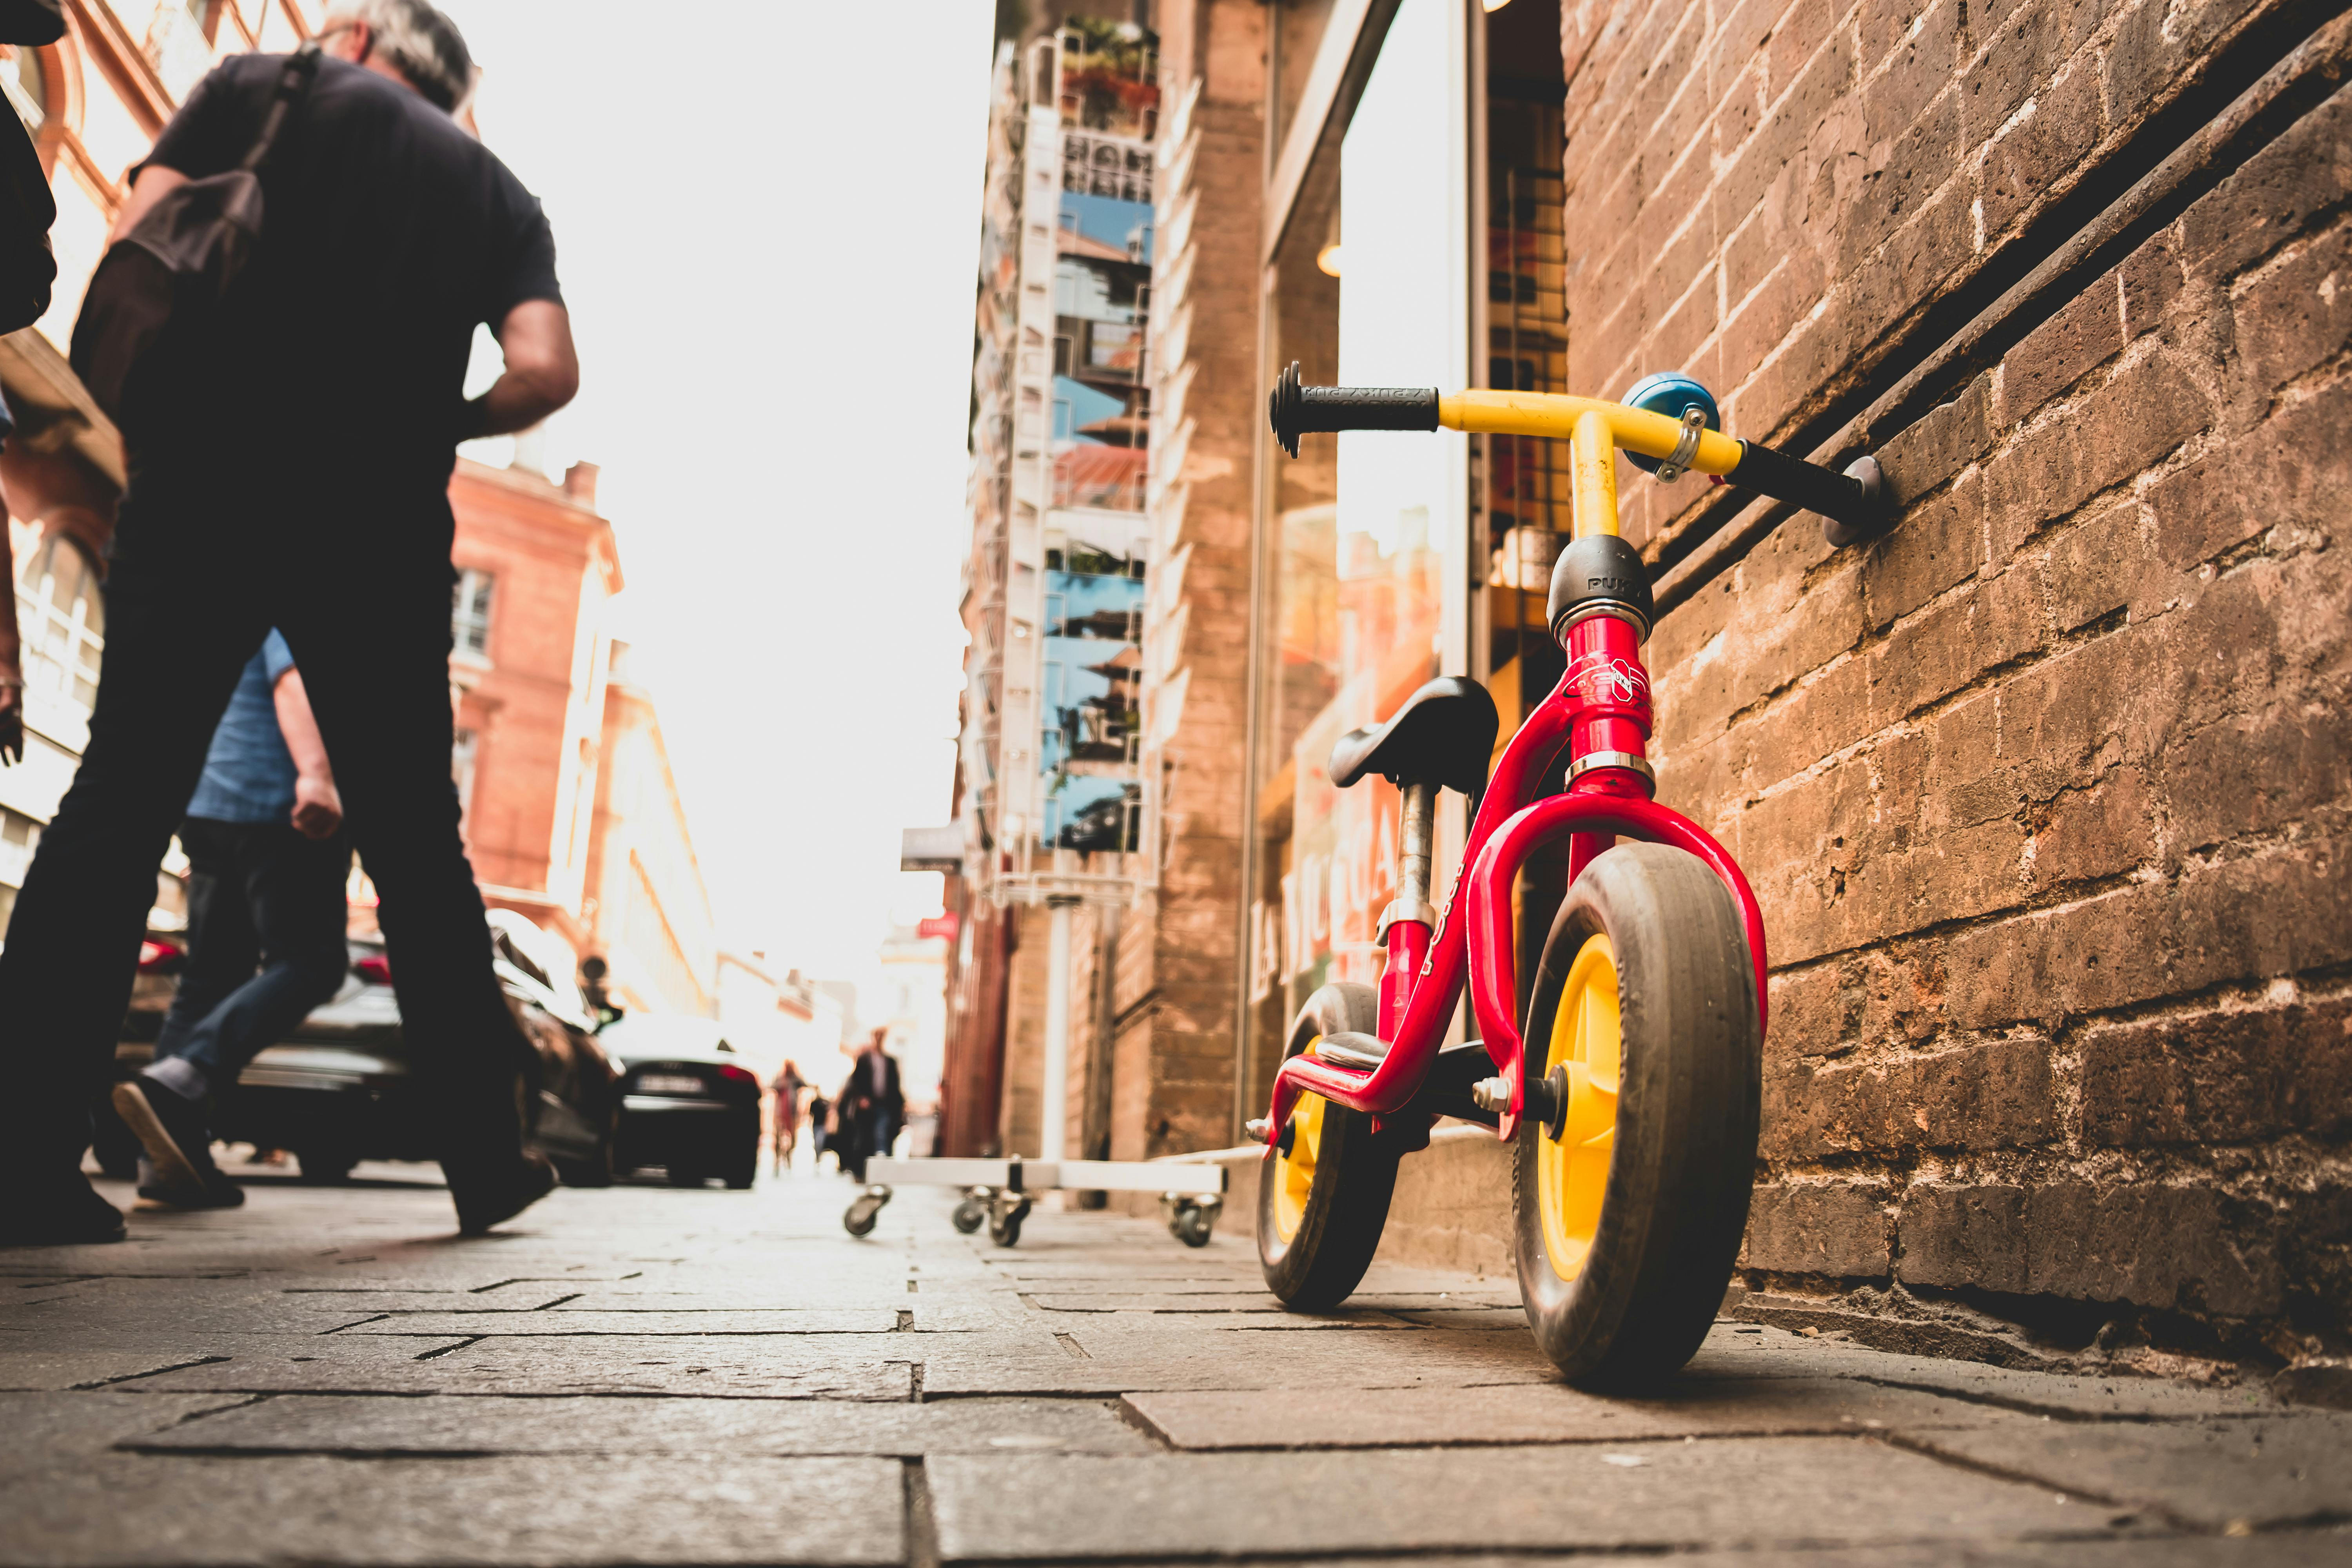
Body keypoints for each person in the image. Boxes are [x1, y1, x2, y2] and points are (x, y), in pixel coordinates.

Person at [0, 0, 580, 1246]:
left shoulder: (267, 83)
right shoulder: (498, 194)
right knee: (420, 851)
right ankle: (484, 1159)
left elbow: (142, 221)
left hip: (203, 472)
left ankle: (20, 1159)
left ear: (364, 38)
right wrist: (446, 421)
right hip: (373, 516)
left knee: (120, 794)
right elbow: (546, 371)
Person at [109, 631, 350, 1210]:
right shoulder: (299, 590)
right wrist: (317, 774)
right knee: (313, 963)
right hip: (278, 803)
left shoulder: (228, 599)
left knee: (210, 975)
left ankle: (169, 1161)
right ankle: (187, 1075)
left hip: (210, 803)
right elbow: (292, 677)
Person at [834, 1030, 904, 1183]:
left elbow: (895, 1085)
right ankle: (861, 1173)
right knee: (864, 1140)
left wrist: (899, 1107)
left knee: (882, 1137)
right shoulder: (865, 1060)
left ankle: (882, 1174)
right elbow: (856, 1082)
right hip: (867, 1108)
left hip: (884, 1106)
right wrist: (861, 1099)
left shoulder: (890, 1061)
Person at [769, 1060, 805, 1176]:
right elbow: (771, 1087)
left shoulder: (795, 1079)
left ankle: (789, 1159)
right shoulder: (780, 1079)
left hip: (792, 1113)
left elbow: (804, 1084)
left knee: (793, 1137)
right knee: (779, 1137)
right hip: (780, 1113)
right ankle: (778, 1161)